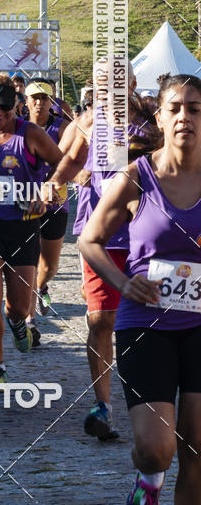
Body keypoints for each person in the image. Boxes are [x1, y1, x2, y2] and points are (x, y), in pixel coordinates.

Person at [79, 74, 201, 505]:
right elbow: (89, 240)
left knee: (196, 451)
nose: (185, 116)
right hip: (146, 322)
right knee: (156, 450)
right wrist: (121, 282)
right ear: (161, 118)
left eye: (195, 108)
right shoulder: (137, 176)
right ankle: (148, 481)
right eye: (175, 108)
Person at [56, 60, 160, 442]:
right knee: (101, 320)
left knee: (152, 323)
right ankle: (103, 405)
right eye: (100, 84)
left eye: (115, 83)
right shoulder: (83, 122)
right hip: (100, 236)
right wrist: (58, 180)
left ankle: (156, 397)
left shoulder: (152, 121)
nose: (108, 90)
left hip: (147, 234)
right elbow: (65, 158)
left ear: (131, 83)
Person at [0, 73, 79, 380]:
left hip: (23, 226)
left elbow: (63, 165)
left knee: (18, 307)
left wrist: (46, 190)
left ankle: (18, 322)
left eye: (5, 107)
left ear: (16, 105)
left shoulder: (30, 134)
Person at [25, 80, 72, 320]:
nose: (39, 102)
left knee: (49, 267)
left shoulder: (63, 128)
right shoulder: (19, 128)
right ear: (26, 101)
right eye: (34, 97)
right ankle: (29, 317)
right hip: (25, 204)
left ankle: (41, 286)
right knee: (28, 261)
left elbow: (72, 160)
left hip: (55, 203)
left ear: (51, 102)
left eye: (44, 98)